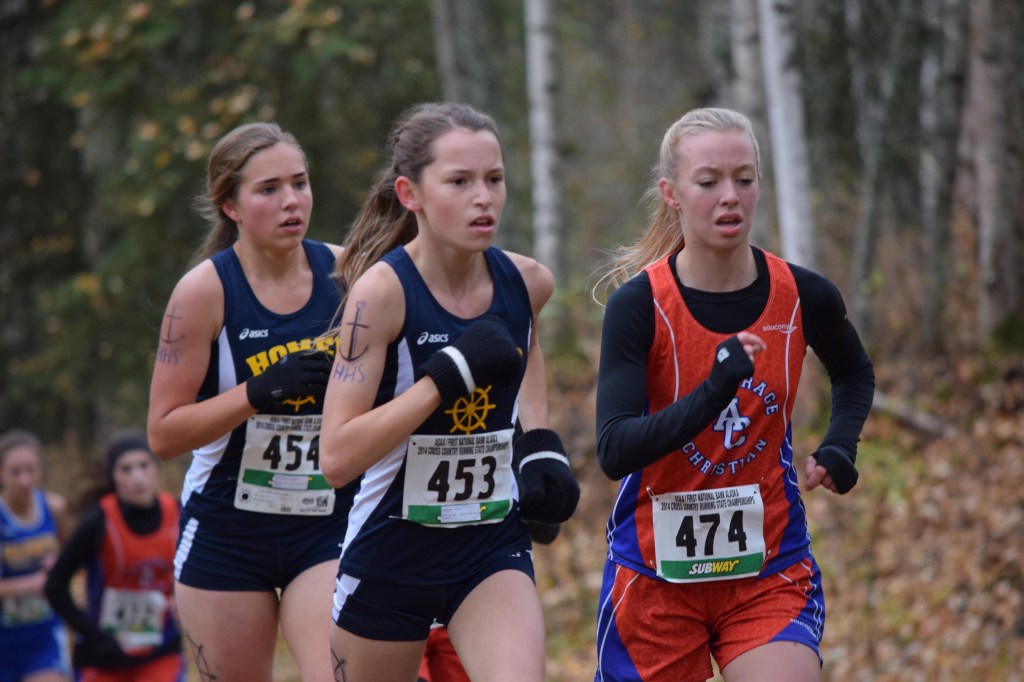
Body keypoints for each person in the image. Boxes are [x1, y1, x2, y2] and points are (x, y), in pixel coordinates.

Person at [591, 107, 875, 682]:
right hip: (654, 579)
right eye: (709, 182)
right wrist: (714, 390)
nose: (730, 197)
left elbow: (853, 372)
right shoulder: (639, 306)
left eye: (744, 179)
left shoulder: (804, 295)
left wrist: (840, 444)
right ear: (671, 193)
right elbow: (615, 449)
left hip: (769, 569)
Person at [320, 102, 579, 682]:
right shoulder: (381, 295)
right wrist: (444, 378)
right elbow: (335, 457)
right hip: (390, 550)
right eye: (459, 182)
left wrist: (538, 444)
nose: (483, 198)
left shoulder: (528, 283)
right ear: (410, 194)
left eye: (494, 179)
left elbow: (527, 349)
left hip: (488, 545)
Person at [146, 121, 358, 682]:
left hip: (327, 523)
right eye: (268, 189)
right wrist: (257, 393)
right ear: (230, 205)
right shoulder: (202, 292)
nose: (292, 201)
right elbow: (163, 434)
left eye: (300, 183)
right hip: (227, 533)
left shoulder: (349, 275)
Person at [44, 432, 183, 682]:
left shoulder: (178, 513)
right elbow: (55, 586)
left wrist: (184, 604)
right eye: (126, 469)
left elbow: (202, 572)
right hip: (104, 657)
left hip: (161, 652)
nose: (137, 476)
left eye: (144, 465)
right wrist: (93, 635)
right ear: (113, 477)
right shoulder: (98, 521)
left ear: (155, 468)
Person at [0, 429, 70, 682]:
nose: (25, 480)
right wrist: (31, 584)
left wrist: (59, 568)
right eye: (15, 472)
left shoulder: (54, 508)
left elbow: (71, 559)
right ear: (1, 473)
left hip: (43, 637)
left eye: (31, 470)